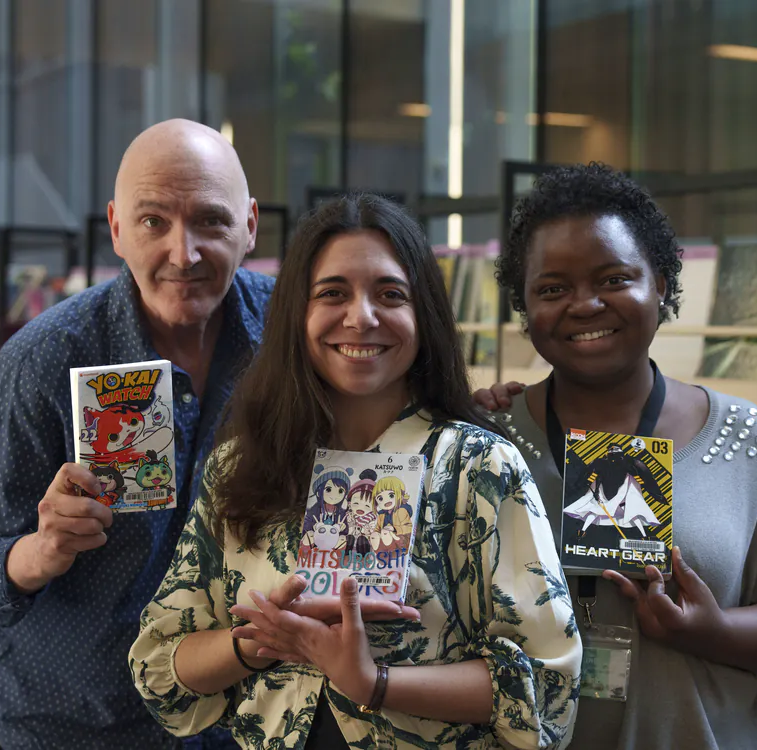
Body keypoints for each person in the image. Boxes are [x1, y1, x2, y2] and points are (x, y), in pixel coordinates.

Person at [0, 120, 405, 750]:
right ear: (116, 228)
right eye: (154, 221)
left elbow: (389, 396)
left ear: (250, 227)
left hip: (247, 718)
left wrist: (466, 411)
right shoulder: (44, 359)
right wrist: (41, 551)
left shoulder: (297, 332)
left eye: (210, 221)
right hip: (77, 721)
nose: (183, 254)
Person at [129, 194, 581, 749]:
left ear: (425, 315)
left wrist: (377, 682)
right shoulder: (241, 466)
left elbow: (548, 684)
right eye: (332, 293)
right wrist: (262, 640)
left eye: (390, 294)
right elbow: (159, 666)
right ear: (298, 312)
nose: (361, 317)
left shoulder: (480, 467)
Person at [472, 162, 757, 749]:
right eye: (552, 289)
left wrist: (716, 631)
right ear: (525, 308)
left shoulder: (748, 443)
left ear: (662, 285)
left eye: (613, 279)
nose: (585, 305)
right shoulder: (481, 443)